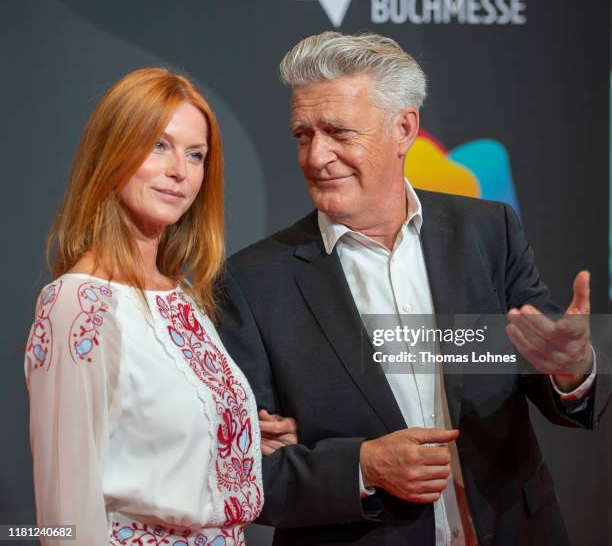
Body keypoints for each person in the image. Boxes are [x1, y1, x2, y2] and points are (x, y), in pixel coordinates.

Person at [217, 32, 611, 546]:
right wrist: (363, 467)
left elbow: (548, 374)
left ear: (403, 128)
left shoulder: (488, 232)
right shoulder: (253, 280)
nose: (317, 157)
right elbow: (247, 475)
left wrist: (569, 370)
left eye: (338, 132)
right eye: (303, 135)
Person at [24, 68, 295, 546]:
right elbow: (64, 511)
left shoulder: (183, 297)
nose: (180, 171)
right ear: (112, 152)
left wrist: (239, 434)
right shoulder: (78, 304)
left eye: (196, 155)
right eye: (158, 145)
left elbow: (156, 434)